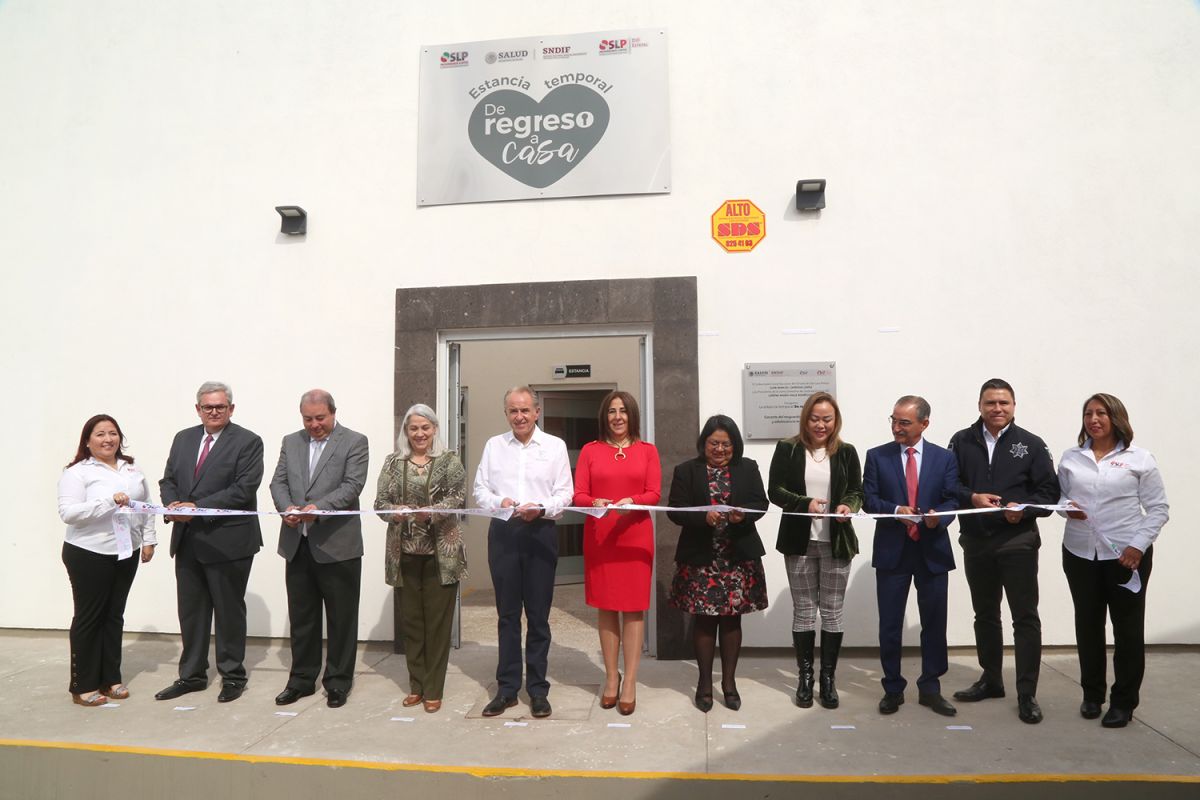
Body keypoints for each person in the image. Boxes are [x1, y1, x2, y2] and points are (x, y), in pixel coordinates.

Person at [948, 378, 1060, 724]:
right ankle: (992, 680)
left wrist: (1023, 510)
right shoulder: (961, 441)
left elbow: (1050, 493)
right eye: (990, 403)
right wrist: (972, 498)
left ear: (1013, 406)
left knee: (1024, 617)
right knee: (985, 615)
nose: (997, 409)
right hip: (977, 541)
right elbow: (948, 484)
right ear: (980, 406)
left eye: (1004, 403)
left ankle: (1027, 693)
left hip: (1018, 543)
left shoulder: (1031, 444)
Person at [1058, 393, 1168, 729]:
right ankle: (1092, 695)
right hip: (1079, 553)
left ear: (1116, 417)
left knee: (1127, 630)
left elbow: (1158, 509)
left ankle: (1123, 702)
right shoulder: (1071, 457)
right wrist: (1066, 508)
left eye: (1101, 413)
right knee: (1088, 625)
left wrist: (1137, 546)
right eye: (1088, 413)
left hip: (1126, 557)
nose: (1094, 419)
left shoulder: (1140, 459)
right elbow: (1060, 498)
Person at [156, 381, 264, 704]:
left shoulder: (248, 441)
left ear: (231, 409)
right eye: (208, 407)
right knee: (191, 612)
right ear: (198, 409)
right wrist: (173, 505)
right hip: (187, 540)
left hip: (228, 542)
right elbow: (168, 479)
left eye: (220, 407)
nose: (214, 412)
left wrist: (196, 508)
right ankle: (191, 676)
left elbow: (243, 489)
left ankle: (232, 676)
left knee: (228, 612)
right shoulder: (183, 438)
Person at [473, 386, 573, 719]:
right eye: (513, 411)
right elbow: (479, 490)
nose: (519, 417)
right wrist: (498, 502)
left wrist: (541, 508)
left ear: (537, 411)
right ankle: (507, 689)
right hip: (504, 532)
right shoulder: (494, 445)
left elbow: (565, 493)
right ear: (506, 413)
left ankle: (538, 690)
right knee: (507, 615)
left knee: (539, 617)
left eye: (525, 410)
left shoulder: (555, 447)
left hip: (540, 533)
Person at [269, 389, 369, 709]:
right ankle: (301, 680)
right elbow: (278, 482)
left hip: (338, 546)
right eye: (308, 419)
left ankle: (338, 681)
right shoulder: (291, 442)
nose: (314, 425)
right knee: (303, 618)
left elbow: (352, 486)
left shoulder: (354, 442)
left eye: (320, 418)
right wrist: (286, 508)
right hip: (297, 543)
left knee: (341, 618)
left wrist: (319, 508)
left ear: (333, 413)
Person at [863, 396, 959, 717]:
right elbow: (869, 499)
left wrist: (938, 518)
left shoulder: (945, 458)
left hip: (932, 551)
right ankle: (892, 688)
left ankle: (930, 687)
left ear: (924, 424)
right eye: (893, 420)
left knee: (934, 622)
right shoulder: (877, 456)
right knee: (890, 624)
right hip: (893, 552)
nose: (896, 428)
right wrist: (894, 510)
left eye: (904, 422)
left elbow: (951, 500)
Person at [768, 391, 863, 710]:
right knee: (804, 610)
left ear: (836, 421)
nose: (821, 425)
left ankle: (828, 678)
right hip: (799, 541)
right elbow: (775, 491)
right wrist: (804, 503)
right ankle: (805, 678)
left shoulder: (847, 452)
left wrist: (848, 505)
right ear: (805, 419)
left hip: (836, 542)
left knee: (833, 610)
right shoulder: (788, 449)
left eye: (827, 419)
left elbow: (856, 490)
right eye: (815, 418)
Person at [668, 415, 768, 713]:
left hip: (737, 559)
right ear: (704, 443)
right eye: (714, 443)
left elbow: (760, 504)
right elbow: (675, 510)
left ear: (735, 445)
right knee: (704, 620)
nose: (720, 449)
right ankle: (703, 683)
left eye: (726, 444)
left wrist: (743, 515)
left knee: (732, 620)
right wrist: (703, 517)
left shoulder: (747, 468)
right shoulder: (687, 470)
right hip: (702, 560)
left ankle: (729, 683)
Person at [57, 415, 157, 706]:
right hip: (89, 552)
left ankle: (110, 678)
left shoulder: (132, 469)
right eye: (100, 434)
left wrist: (148, 539)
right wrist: (108, 502)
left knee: (114, 616)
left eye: (113, 433)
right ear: (87, 441)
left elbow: (146, 506)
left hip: (126, 551)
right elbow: (69, 514)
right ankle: (83, 685)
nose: (107, 439)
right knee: (90, 617)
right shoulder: (77, 472)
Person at [572, 391, 661, 716]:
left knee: (634, 610)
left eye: (623, 411)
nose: (617, 417)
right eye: (611, 411)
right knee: (607, 607)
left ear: (632, 415)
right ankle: (612, 677)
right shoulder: (590, 450)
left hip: (635, 537)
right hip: (601, 536)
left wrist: (633, 501)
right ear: (604, 416)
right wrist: (593, 502)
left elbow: (654, 492)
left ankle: (630, 680)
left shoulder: (647, 450)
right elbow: (579, 494)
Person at [375, 404, 467, 714]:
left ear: (435, 429)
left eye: (425, 428)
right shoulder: (393, 462)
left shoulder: (449, 460)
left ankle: (433, 688)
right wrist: (394, 512)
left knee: (437, 626)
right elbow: (380, 503)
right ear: (406, 430)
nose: (419, 434)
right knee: (412, 624)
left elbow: (458, 497)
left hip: (441, 555)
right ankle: (416, 685)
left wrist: (434, 511)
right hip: (404, 554)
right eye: (413, 428)